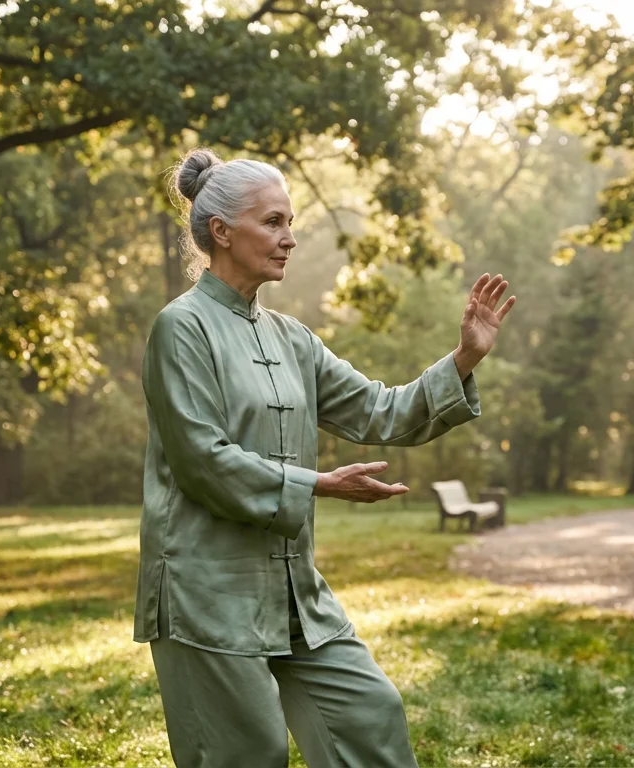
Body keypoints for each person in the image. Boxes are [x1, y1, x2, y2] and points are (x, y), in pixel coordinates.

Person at [133, 147, 517, 768]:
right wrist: (320, 484)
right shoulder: (182, 328)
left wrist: (464, 358)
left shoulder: (291, 337)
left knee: (369, 716)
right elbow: (202, 460)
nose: (289, 238)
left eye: (290, 222)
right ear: (222, 232)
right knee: (247, 754)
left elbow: (381, 412)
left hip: (292, 590)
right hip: (205, 591)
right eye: (273, 222)